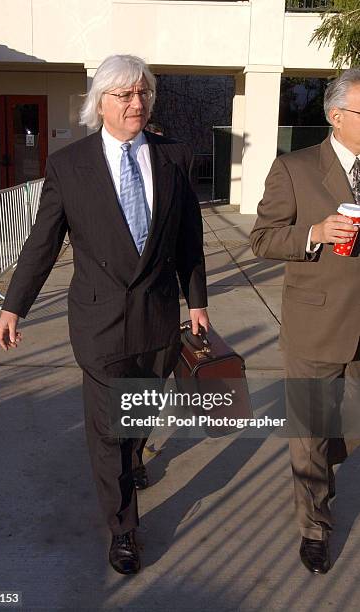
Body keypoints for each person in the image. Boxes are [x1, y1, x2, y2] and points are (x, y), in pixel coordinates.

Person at [0, 54, 209, 575]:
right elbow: (42, 243)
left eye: (144, 94)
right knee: (109, 428)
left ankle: (134, 456)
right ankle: (123, 530)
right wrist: (14, 305)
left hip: (157, 317)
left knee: (141, 411)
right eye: (125, 95)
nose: (137, 103)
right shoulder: (69, 166)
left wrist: (197, 299)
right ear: (101, 103)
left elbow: (189, 239)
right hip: (99, 322)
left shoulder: (175, 157)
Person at [250, 67, 360, 575]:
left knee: (344, 432)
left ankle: (325, 468)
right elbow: (263, 239)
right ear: (337, 117)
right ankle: (314, 529)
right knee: (309, 438)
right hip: (315, 328)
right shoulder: (294, 169)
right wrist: (313, 232)